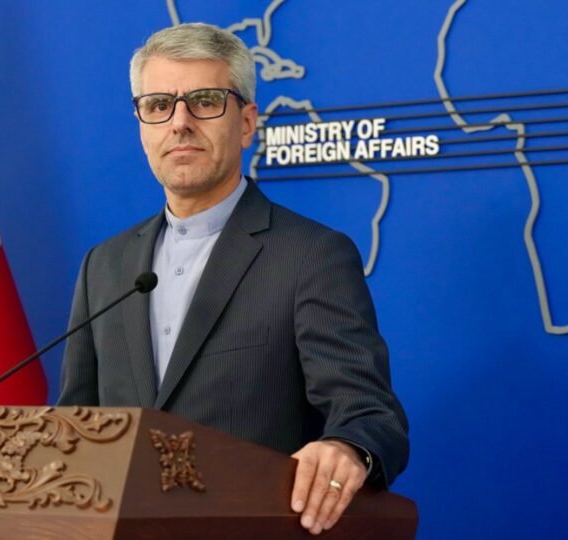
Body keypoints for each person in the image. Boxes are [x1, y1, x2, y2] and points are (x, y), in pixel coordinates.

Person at [58, 22, 408, 535]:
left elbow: (369, 413)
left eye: (204, 102)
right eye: (158, 105)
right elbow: (75, 427)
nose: (179, 123)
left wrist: (346, 447)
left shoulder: (311, 256)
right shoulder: (104, 266)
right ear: (142, 126)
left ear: (246, 124)